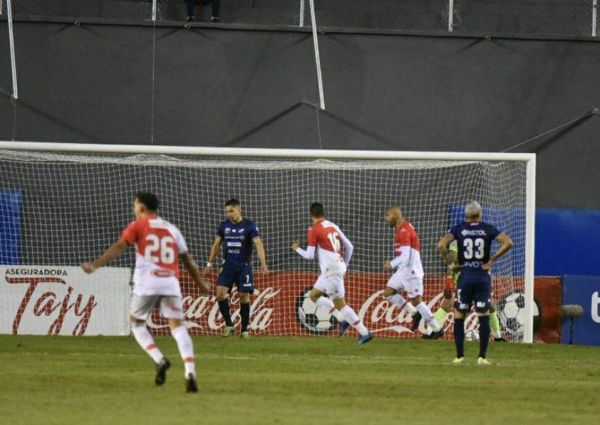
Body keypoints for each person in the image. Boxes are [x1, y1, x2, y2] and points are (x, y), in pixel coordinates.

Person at [81, 192, 210, 392]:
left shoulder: (138, 226)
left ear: (141, 207)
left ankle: (159, 359)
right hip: (170, 283)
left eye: (135, 206)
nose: (134, 209)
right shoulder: (171, 229)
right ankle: (190, 371)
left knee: (137, 324)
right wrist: (201, 284)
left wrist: (96, 265)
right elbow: (188, 260)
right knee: (178, 327)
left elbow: (119, 246)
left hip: (147, 283)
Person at [438, 201, 513, 365]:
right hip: (482, 276)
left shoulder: (458, 228)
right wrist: (492, 259)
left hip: (465, 276)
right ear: (480, 214)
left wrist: (451, 264)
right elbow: (508, 242)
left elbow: (441, 245)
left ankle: (459, 356)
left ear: (466, 215)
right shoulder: (487, 228)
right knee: (483, 315)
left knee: (459, 315)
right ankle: (482, 357)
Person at [292, 202, 372, 344]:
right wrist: (344, 265)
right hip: (331, 269)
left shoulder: (314, 229)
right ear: (323, 213)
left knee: (341, 304)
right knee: (313, 295)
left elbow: (310, 255)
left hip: (331, 270)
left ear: (310, 214)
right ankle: (342, 319)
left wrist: (297, 249)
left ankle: (364, 332)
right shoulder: (332, 225)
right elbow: (349, 246)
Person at [204, 199, 268, 338]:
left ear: (239, 209)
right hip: (227, 266)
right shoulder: (223, 226)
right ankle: (229, 324)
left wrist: (263, 264)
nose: (229, 214)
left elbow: (258, 244)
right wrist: (209, 264)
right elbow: (216, 245)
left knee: (244, 297)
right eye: (227, 211)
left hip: (243, 267)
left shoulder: (249, 225)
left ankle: (244, 330)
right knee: (220, 294)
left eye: (231, 211)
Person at [382, 205, 443, 339]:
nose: (386, 219)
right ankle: (414, 313)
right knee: (388, 292)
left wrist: (390, 264)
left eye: (388, 215)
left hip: (411, 271)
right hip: (404, 270)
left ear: (395, 216)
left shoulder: (403, 231)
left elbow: (405, 256)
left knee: (417, 300)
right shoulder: (403, 227)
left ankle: (437, 328)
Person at [432, 240, 506, 342]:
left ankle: (498, 337)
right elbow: (451, 258)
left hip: (478, 280)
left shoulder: (482, 241)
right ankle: (432, 331)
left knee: (490, 305)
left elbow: (486, 264)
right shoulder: (459, 239)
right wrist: (449, 278)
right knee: (448, 302)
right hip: (461, 280)